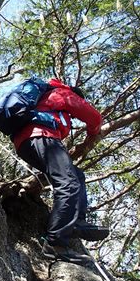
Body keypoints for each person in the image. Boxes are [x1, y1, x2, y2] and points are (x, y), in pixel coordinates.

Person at [13, 78, 109, 263]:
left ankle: (77, 222)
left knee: (76, 175)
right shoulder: (64, 93)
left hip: (26, 143)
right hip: (42, 137)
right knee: (69, 183)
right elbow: (94, 117)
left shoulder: (46, 98)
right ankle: (54, 244)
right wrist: (93, 133)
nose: (71, 118)